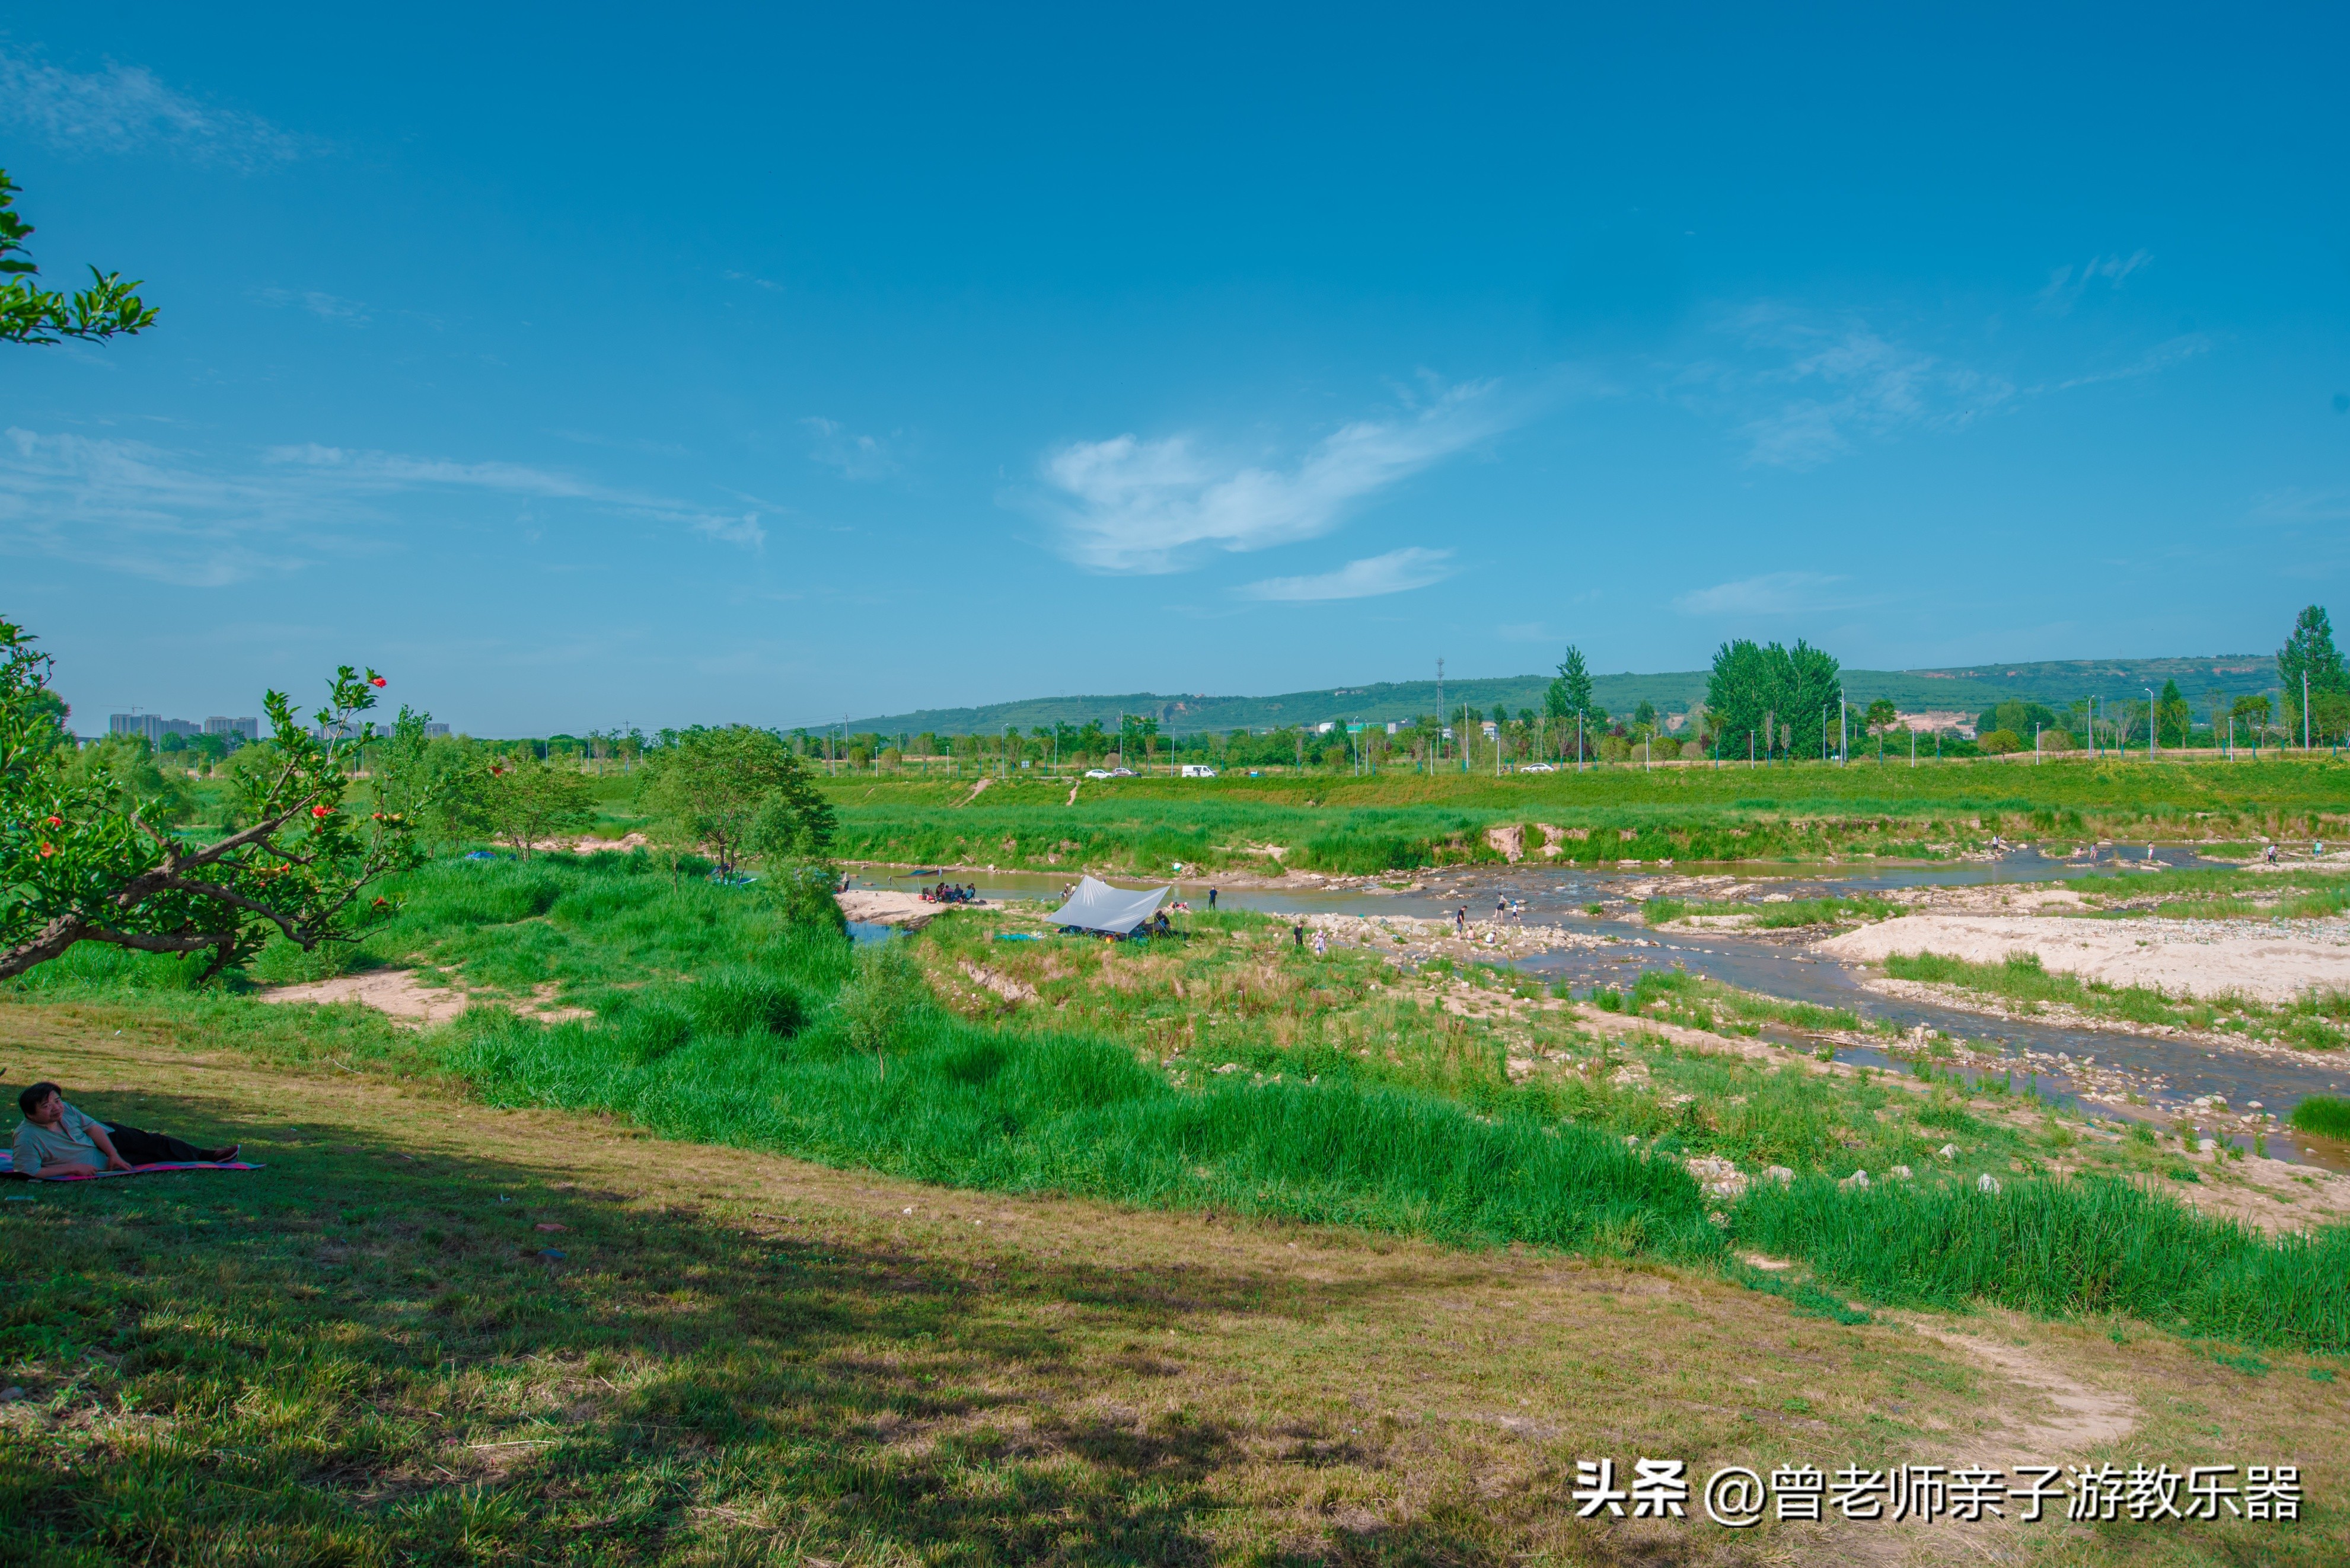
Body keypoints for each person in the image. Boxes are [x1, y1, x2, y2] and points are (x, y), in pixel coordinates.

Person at [12, 1082, 236, 1177]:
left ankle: (209, 1155)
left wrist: (113, 1153)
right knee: (150, 1157)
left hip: (107, 1139)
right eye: (47, 1106)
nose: (56, 1108)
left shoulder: (65, 1110)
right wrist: (73, 1168)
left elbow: (91, 1128)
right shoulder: (27, 1137)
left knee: (155, 1142)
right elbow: (27, 1171)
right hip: (94, 1159)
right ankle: (206, 1159)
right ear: (30, 1114)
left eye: (57, 1101)